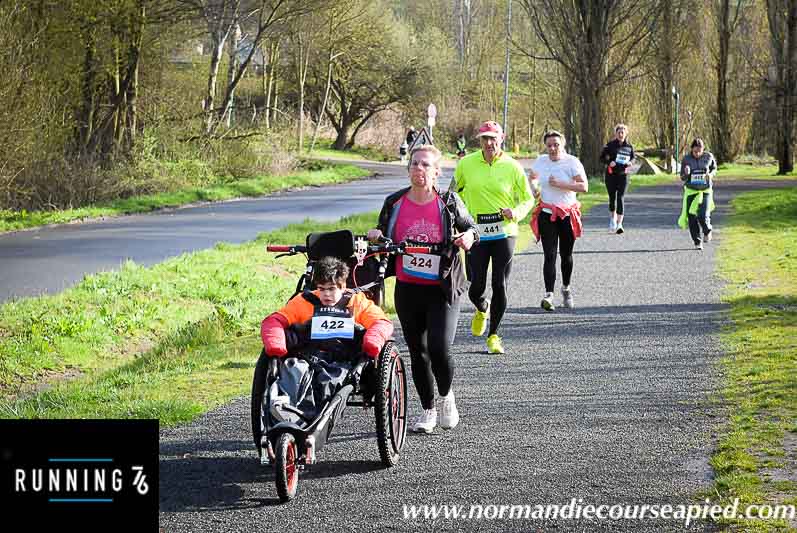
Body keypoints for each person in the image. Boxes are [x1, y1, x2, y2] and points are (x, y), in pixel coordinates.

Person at [367, 144, 478, 434]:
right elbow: (381, 234)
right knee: (418, 351)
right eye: (415, 164)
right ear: (408, 169)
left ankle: (446, 397)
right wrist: (376, 236)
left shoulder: (449, 202)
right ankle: (428, 409)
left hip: (442, 287)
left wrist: (467, 238)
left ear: (437, 172)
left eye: (426, 165)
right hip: (408, 287)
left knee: (440, 348)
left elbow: (473, 230)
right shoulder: (394, 203)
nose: (420, 169)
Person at [260, 257, 394, 422]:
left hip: (341, 361)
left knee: (327, 381)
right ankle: (286, 409)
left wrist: (372, 341)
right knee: (294, 369)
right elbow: (274, 320)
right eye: (322, 289)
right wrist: (276, 345)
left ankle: (306, 418)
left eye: (331, 289)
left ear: (343, 286)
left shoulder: (357, 302)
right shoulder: (303, 301)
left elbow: (382, 323)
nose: (326, 295)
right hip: (308, 355)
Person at [450, 120, 534, 354]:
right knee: (475, 286)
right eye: (484, 138)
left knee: (500, 283)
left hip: (504, 232)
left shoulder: (513, 166)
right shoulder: (466, 164)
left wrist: (515, 213)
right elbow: (452, 195)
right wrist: (456, 220)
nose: (488, 142)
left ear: (501, 138)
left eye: (492, 138)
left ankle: (494, 335)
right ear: (480, 140)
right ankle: (481, 307)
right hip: (475, 233)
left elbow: (528, 198)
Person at [529, 130, 588, 311]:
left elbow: (584, 187)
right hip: (547, 213)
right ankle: (549, 295)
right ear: (545, 146)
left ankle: (566, 288)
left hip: (567, 214)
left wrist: (561, 184)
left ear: (562, 145)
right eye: (549, 146)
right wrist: (534, 189)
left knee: (566, 255)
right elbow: (532, 177)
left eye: (556, 145)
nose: (553, 148)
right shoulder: (541, 161)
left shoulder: (572, 162)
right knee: (549, 255)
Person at [678, 138, 717, 250]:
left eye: (700, 151)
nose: (697, 154)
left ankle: (707, 230)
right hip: (691, 191)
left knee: (702, 215)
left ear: (703, 149)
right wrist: (686, 173)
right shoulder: (686, 159)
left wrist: (711, 174)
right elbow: (682, 177)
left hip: (705, 191)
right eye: (695, 151)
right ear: (691, 150)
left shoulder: (708, 157)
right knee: (692, 217)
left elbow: (714, 168)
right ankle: (697, 241)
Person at [599, 123, 635, 234]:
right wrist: (609, 162)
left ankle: (619, 224)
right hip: (611, 175)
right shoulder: (610, 145)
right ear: (616, 133)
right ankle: (612, 220)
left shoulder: (629, 146)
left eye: (622, 132)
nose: (620, 134)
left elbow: (633, 158)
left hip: (623, 175)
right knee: (612, 198)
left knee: (620, 198)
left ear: (626, 134)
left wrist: (630, 163)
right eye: (619, 132)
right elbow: (601, 158)